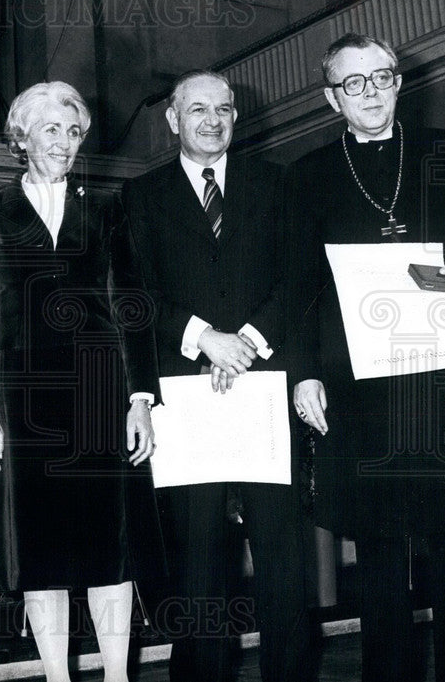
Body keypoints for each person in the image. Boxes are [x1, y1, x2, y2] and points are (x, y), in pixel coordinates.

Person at [286, 33, 445, 682]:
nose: (370, 91)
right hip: (358, 394)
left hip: (442, 383)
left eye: (382, 77)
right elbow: (296, 287)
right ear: (330, 97)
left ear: (400, 83)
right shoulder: (308, 175)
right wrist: (304, 373)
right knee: (378, 555)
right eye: (354, 82)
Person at [0, 81, 163, 682]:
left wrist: (140, 399)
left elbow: (131, 303)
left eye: (74, 132)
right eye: (52, 129)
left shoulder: (107, 209)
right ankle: (55, 674)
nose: (65, 143)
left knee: (111, 541)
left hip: (100, 395)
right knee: (38, 546)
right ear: (21, 136)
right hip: (20, 399)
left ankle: (117, 674)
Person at [123, 70, 315, 682]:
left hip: (265, 389)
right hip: (185, 395)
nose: (212, 120)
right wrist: (202, 337)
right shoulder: (139, 198)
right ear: (173, 120)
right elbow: (134, 294)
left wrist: (248, 343)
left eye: (223, 109)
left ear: (237, 116)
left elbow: (301, 280)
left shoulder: (278, 184)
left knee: (283, 558)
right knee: (199, 561)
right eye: (198, 109)